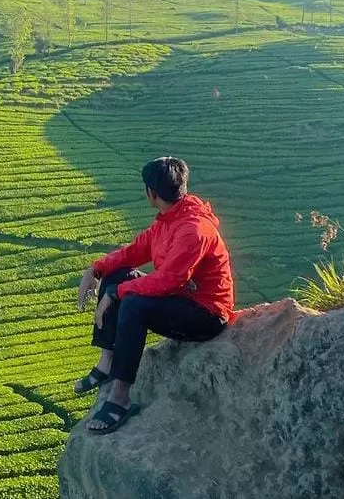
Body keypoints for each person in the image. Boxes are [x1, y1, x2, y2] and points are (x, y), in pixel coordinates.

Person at [74, 156, 234, 434]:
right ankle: (106, 363)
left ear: (152, 193)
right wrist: (96, 269)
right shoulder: (170, 219)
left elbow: (169, 281)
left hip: (206, 314)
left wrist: (117, 295)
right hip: (182, 298)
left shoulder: (193, 230)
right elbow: (135, 251)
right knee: (117, 276)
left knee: (132, 303)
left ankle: (120, 399)